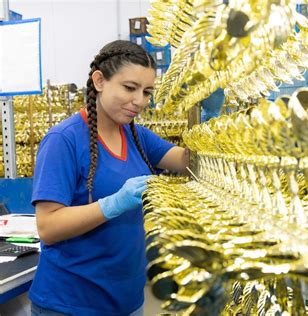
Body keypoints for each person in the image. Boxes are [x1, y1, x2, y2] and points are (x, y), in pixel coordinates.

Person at [30, 40, 189, 316]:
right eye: (129, 88)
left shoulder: (135, 135)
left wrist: (214, 130)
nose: (139, 101)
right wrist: (112, 204)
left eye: (147, 92)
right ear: (100, 81)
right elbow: (48, 226)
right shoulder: (63, 141)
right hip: (72, 304)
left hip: (127, 300)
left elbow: (185, 162)